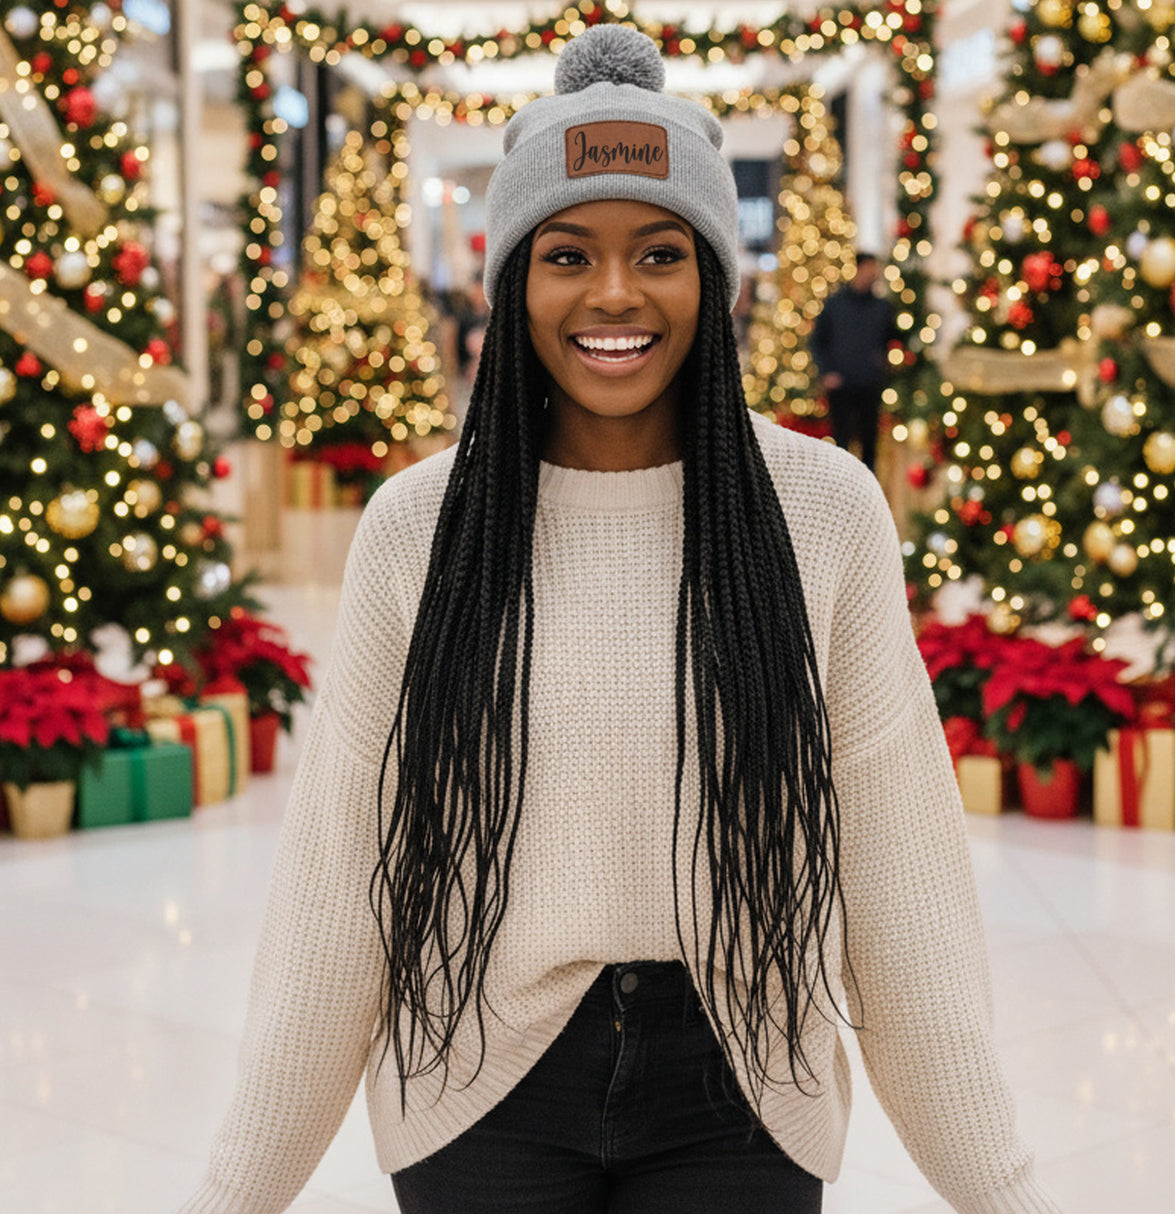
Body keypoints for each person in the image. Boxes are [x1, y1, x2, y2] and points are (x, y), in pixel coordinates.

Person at [176, 27, 1064, 1214]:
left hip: (743, 1089)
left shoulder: (823, 514)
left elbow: (900, 887)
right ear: (512, 281)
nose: (611, 293)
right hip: (476, 1089)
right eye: (565, 253)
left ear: (711, 274)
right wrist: (232, 1191)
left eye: (658, 251)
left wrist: (1003, 1191)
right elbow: (341, 888)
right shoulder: (416, 527)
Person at [809, 252, 896, 470]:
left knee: (870, 444)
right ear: (858, 269)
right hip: (841, 385)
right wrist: (827, 371)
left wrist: (884, 360)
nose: (872, 274)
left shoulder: (882, 307)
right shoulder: (835, 304)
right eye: (868, 268)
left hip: (870, 383)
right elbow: (818, 341)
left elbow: (891, 340)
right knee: (842, 443)